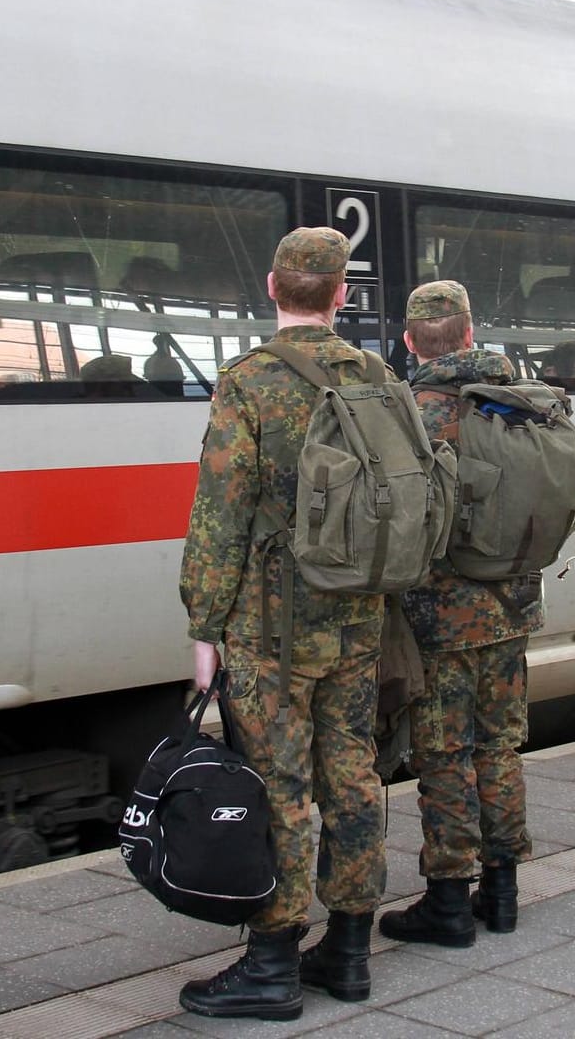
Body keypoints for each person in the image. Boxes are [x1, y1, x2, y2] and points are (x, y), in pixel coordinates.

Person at [177, 227, 385, 1021]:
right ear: (341, 294)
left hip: (271, 631)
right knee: (354, 774)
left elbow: (220, 514)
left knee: (280, 785)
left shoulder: (250, 382)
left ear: (271, 287)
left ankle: (272, 964)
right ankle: (352, 951)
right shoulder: (377, 375)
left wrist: (205, 623)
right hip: (359, 618)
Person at [378, 280, 542, 947]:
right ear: (471, 335)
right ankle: (501, 891)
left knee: (446, 756)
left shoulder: (410, 413)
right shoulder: (522, 401)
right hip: (510, 607)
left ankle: (448, 901)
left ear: (412, 342)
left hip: (440, 619)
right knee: (500, 745)